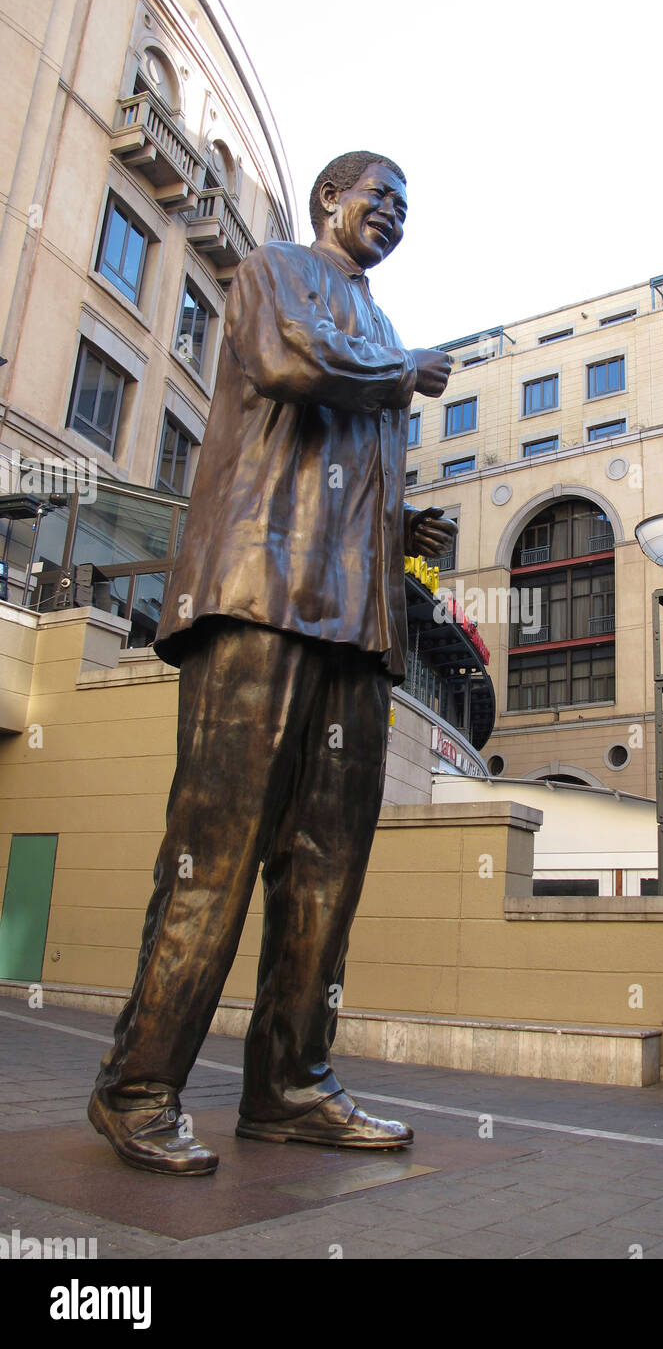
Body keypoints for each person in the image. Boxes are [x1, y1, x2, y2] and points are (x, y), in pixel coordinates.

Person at [88, 151, 454, 1175]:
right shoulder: (277, 269)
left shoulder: (380, 330)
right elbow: (293, 367)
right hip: (259, 590)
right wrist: (406, 374)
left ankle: (291, 1084)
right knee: (217, 851)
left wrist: (401, 520)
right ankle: (137, 1087)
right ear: (328, 200)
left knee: (326, 870)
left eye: (405, 204)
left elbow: (343, 446)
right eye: (377, 194)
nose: (390, 212)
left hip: (353, 618)